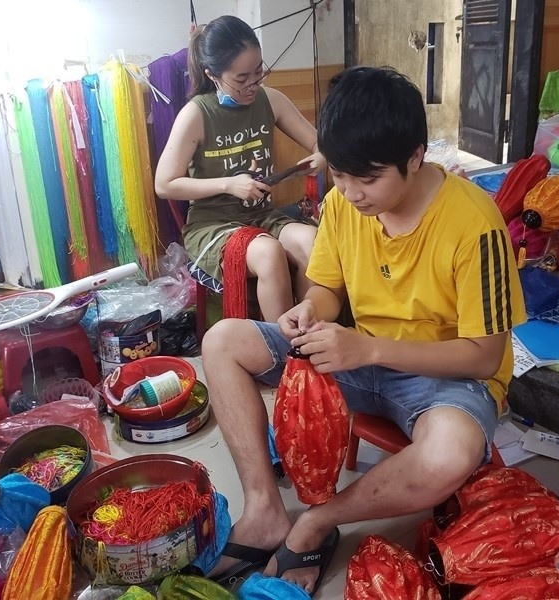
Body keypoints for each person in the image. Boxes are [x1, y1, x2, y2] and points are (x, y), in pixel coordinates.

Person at [201, 66, 526, 595]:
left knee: (451, 453)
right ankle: (263, 510)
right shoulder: (342, 205)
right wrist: (310, 311)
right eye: (340, 175)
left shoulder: (474, 223)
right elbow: (328, 289)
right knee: (222, 341)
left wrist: (370, 348)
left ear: (415, 157)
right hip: (358, 357)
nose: (351, 193)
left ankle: (318, 522)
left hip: (444, 378)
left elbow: (484, 357)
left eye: (368, 179)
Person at [154, 15, 322, 322]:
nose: (253, 86)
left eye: (258, 73)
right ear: (213, 75)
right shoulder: (196, 114)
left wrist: (320, 157)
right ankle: (282, 354)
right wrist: (228, 184)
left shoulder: (271, 100)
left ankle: (309, 338)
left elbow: (319, 143)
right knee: (269, 253)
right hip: (213, 227)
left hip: (261, 217)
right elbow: (164, 184)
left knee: (312, 243)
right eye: (241, 79)